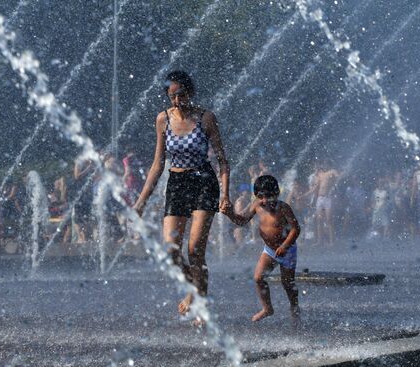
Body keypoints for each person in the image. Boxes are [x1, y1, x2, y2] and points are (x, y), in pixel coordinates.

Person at [133, 70, 231, 319]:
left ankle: (201, 303)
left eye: (182, 94)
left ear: (191, 92)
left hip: (203, 182)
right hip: (177, 183)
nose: (177, 101)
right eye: (172, 96)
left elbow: (222, 159)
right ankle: (193, 287)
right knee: (170, 251)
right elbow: (158, 163)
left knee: (195, 249)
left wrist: (225, 194)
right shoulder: (162, 120)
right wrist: (140, 202)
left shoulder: (205, 118)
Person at [223, 175, 301, 322]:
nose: (265, 201)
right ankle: (267, 308)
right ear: (256, 196)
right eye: (261, 197)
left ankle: (294, 307)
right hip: (270, 250)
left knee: (288, 283)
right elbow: (242, 221)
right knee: (258, 277)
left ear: (277, 193)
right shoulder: (257, 205)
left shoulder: (283, 208)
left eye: (269, 197)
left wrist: (285, 245)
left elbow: (296, 229)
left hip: (287, 251)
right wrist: (230, 214)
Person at [305, 160, 340, 246]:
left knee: (329, 220)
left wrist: (335, 180)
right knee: (319, 220)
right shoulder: (320, 175)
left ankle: (332, 242)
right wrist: (304, 196)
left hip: (328, 198)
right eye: (323, 164)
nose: (324, 165)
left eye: (326, 164)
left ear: (329, 165)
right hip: (320, 198)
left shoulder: (332, 171)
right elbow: (315, 188)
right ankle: (320, 241)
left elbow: (338, 177)